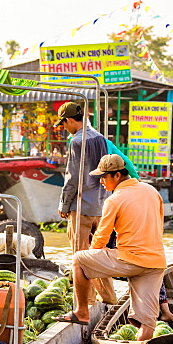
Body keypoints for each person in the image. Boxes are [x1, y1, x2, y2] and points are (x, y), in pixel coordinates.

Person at [64, 154, 166, 341]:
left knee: (79, 259)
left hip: (130, 260)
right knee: (148, 323)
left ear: (117, 176)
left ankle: (82, 312)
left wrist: (92, 254)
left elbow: (102, 236)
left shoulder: (115, 199)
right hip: (156, 263)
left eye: (104, 177)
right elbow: (160, 226)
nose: (101, 181)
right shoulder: (152, 191)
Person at [55, 101, 116, 304]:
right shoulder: (99, 137)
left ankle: (86, 303)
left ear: (70, 120)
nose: (64, 129)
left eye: (64, 124)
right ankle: (109, 298)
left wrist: (64, 204)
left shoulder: (77, 141)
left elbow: (73, 177)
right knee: (99, 256)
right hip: (101, 205)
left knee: (80, 257)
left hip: (82, 206)